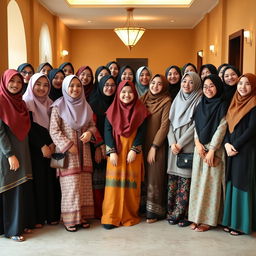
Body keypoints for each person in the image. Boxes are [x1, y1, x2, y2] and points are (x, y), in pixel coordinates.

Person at [49, 75, 96, 232]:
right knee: (71, 188)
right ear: (65, 88)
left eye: (78, 86)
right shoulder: (58, 107)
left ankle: (80, 217)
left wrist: (89, 132)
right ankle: (70, 220)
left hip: (85, 154)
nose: (75, 89)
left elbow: (92, 125)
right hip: (67, 155)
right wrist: (68, 145)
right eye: (71, 86)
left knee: (83, 186)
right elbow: (54, 131)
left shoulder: (86, 106)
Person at [101, 80, 149, 229]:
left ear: (134, 93)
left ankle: (129, 215)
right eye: (123, 92)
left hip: (132, 152)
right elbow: (107, 131)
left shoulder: (141, 110)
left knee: (131, 186)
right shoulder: (111, 110)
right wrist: (111, 152)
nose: (126, 95)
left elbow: (142, 132)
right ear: (118, 93)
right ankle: (111, 216)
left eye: (129, 92)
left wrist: (134, 149)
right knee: (112, 186)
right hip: (116, 152)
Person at [188, 74, 228, 232]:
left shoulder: (223, 105)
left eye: (211, 86)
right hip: (200, 150)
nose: (208, 89)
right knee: (198, 185)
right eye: (205, 87)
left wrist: (211, 150)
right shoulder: (200, 104)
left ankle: (209, 221)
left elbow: (222, 127)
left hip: (214, 151)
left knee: (210, 186)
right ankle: (196, 217)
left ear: (217, 86)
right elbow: (196, 126)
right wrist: (197, 144)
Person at [23, 73, 60, 228]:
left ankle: (51, 215)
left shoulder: (50, 103)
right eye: (38, 84)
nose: (42, 88)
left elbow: (55, 126)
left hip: (51, 146)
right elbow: (28, 127)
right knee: (38, 182)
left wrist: (52, 144)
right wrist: (41, 146)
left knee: (51, 180)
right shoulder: (26, 102)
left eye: (45, 85)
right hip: (35, 148)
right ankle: (38, 217)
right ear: (32, 85)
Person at [0, 69, 33, 241]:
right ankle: (12, 230)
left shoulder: (20, 102)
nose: (15, 85)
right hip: (8, 154)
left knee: (20, 189)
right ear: (5, 82)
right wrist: (10, 154)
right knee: (11, 189)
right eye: (12, 81)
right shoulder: (1, 100)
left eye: (19, 82)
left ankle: (19, 224)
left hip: (22, 151)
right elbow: (0, 132)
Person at [166, 72, 202, 227]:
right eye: (184, 81)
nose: (186, 85)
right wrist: (172, 143)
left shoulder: (199, 99)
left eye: (191, 82)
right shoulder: (177, 99)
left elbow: (196, 125)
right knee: (173, 179)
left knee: (186, 179)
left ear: (197, 84)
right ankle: (172, 210)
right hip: (173, 146)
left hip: (187, 145)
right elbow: (170, 123)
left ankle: (183, 213)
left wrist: (180, 144)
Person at [222, 73, 256, 236]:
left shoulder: (255, 103)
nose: (242, 87)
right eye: (240, 83)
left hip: (245, 150)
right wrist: (227, 143)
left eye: (247, 84)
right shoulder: (233, 102)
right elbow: (227, 125)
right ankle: (230, 220)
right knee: (231, 181)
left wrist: (235, 145)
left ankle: (241, 224)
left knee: (241, 183)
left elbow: (252, 129)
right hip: (231, 149)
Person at [140, 74, 171, 223]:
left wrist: (154, 146)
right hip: (141, 144)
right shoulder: (143, 98)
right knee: (143, 176)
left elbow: (165, 126)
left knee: (155, 177)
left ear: (164, 86)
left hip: (156, 146)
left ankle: (154, 212)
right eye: (153, 83)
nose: (155, 86)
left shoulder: (166, 101)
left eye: (159, 84)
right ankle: (143, 207)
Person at [89, 75, 117, 218]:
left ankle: (112, 209)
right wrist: (98, 148)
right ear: (100, 85)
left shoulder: (118, 102)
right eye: (106, 85)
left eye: (112, 85)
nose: (109, 88)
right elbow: (91, 127)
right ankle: (100, 212)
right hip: (97, 146)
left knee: (112, 180)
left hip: (115, 147)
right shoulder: (93, 103)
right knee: (99, 180)